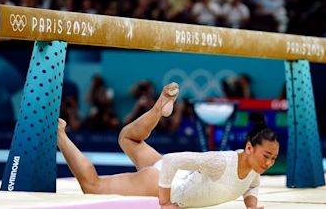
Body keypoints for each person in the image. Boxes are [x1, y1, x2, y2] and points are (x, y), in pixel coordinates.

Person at [57, 82, 279, 208]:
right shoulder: (221, 161)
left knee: (127, 138)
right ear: (249, 148)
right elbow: (173, 160)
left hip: (173, 175)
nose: (268, 162)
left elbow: (252, 183)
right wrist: (164, 202)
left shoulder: (254, 168)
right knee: (92, 186)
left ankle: (158, 109)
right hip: (166, 183)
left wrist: (251, 205)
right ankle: (59, 133)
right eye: (266, 156)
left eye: (273, 159)